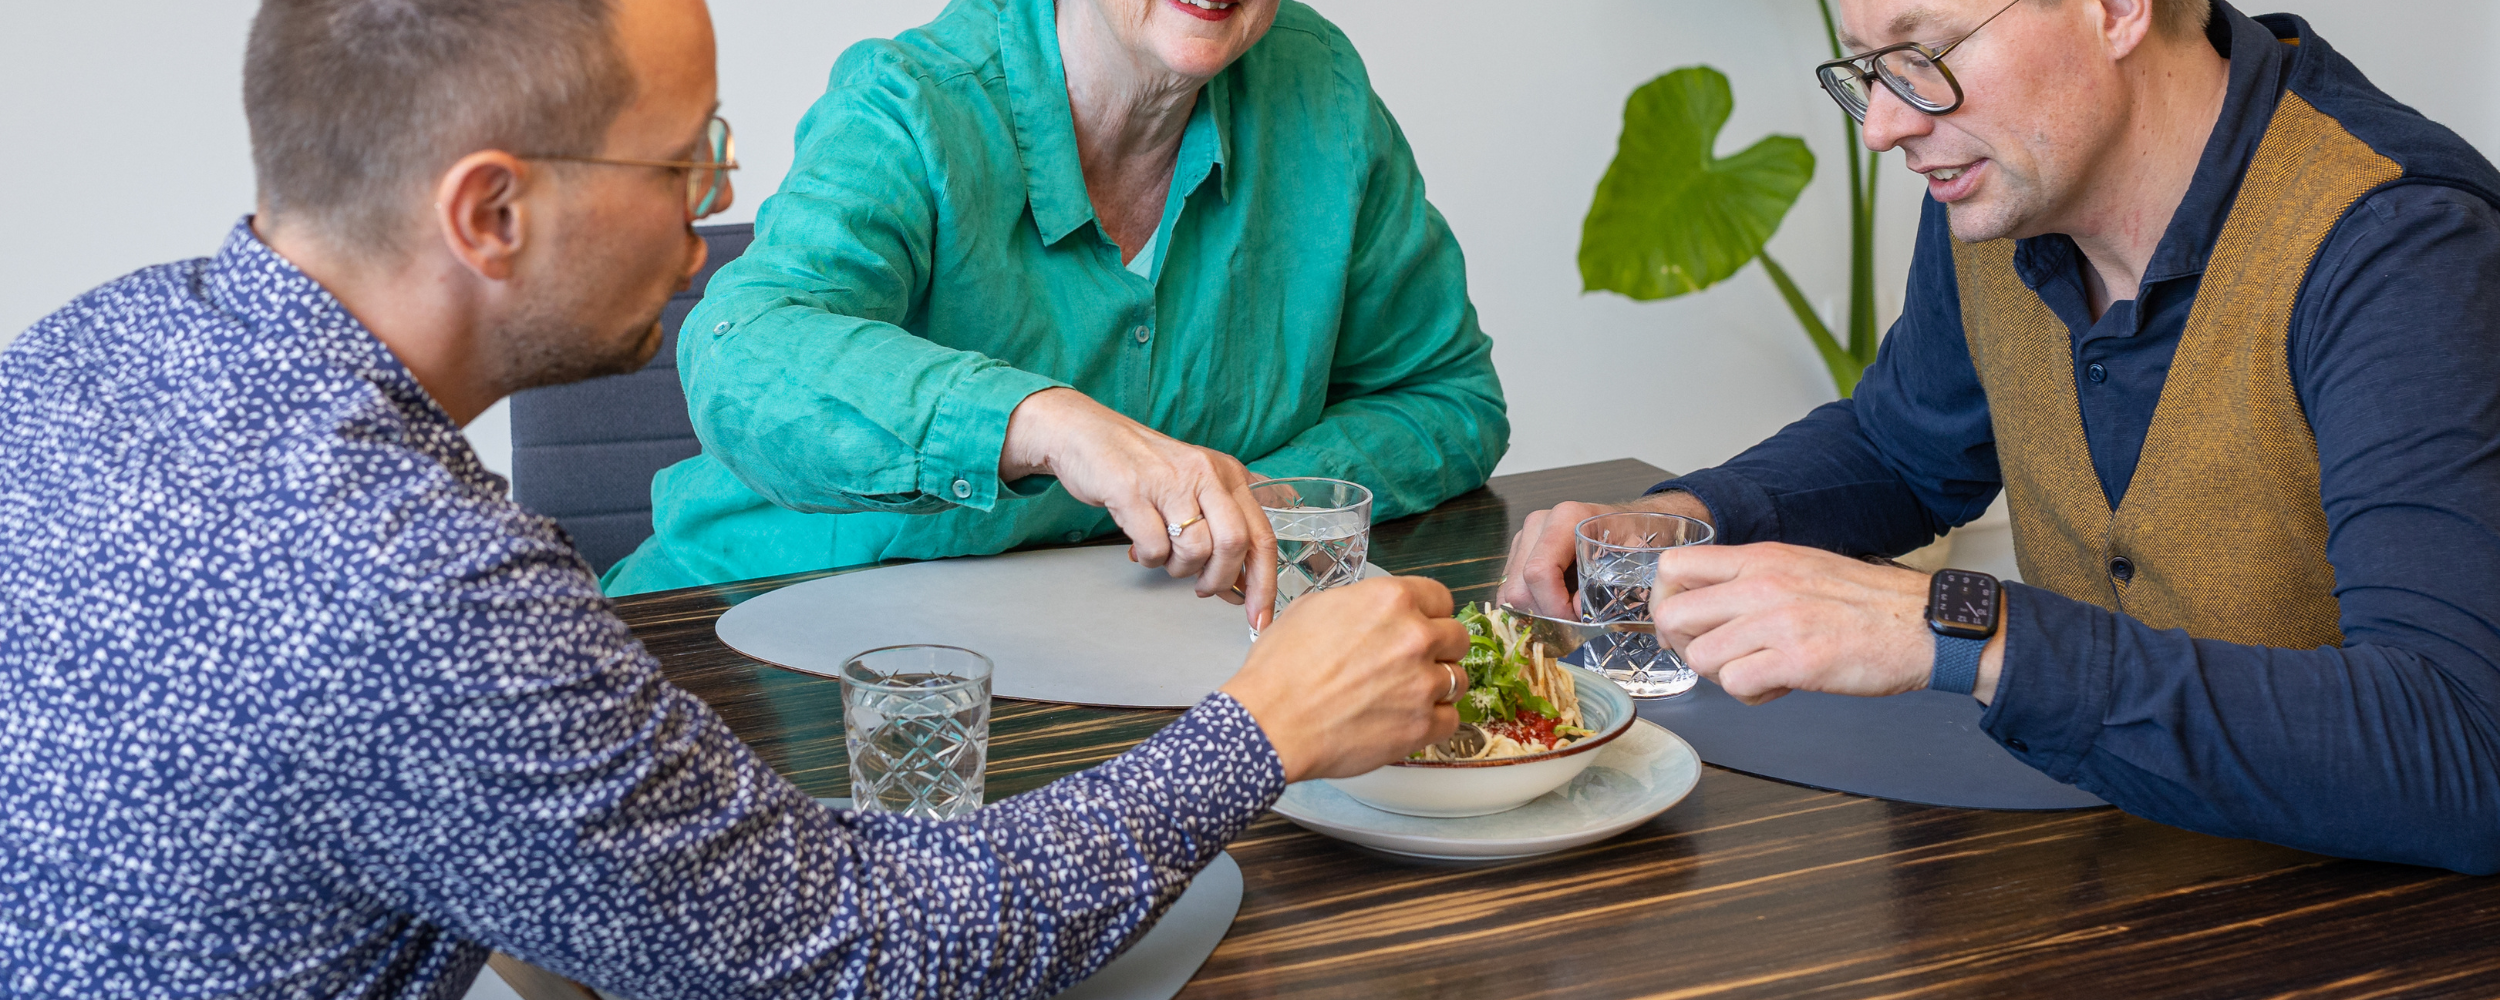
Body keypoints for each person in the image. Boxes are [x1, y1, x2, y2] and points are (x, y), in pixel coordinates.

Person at [0, 1, 1474, 996]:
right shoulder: (427, 593)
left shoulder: (84, 348)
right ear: (490, 213)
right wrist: (1264, 729)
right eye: (686, 163)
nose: (712, 222)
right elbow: (856, 952)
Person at [1502, 0, 2500, 874]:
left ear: (2113, 9)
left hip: (2369, 919)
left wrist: (1961, 626)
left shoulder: (2401, 249)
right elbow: (1902, 448)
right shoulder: (2009, 186)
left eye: (1924, 52)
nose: (1886, 125)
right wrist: (1684, 517)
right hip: (2106, 875)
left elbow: (2463, 749)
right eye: (1867, 70)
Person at [602, 0, 1510, 629]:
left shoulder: (1321, 91)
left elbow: (1446, 394)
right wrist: (1047, 425)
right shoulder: (910, 99)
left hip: (1113, 648)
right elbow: (742, 352)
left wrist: (1248, 497)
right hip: (747, 635)